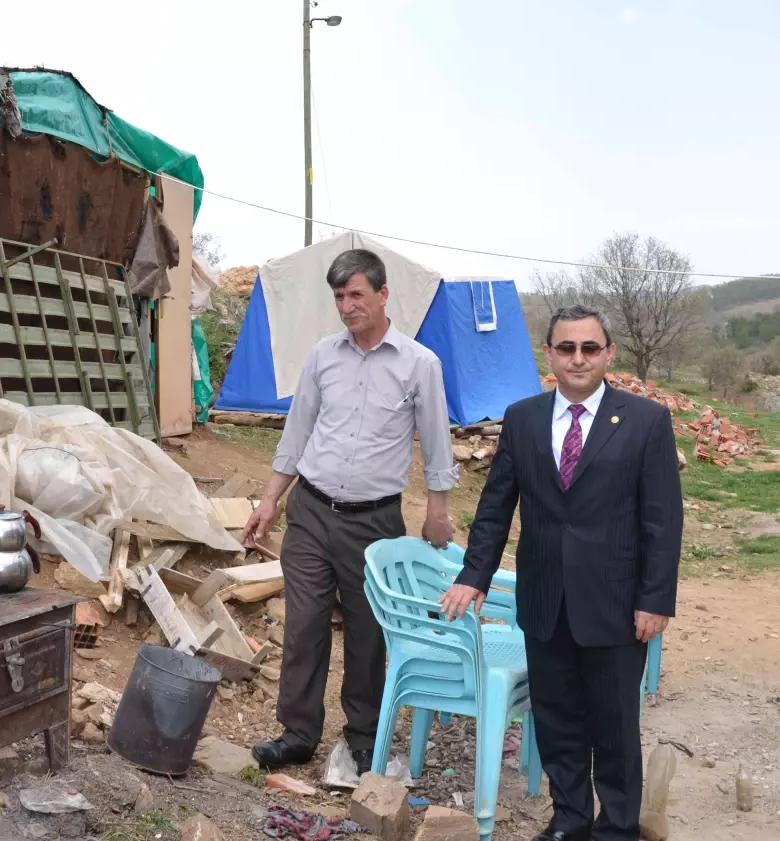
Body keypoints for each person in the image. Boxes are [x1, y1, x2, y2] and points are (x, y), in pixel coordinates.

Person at [440, 304, 682, 841]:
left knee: (615, 726)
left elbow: (662, 520)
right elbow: (496, 505)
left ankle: (616, 828)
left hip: (618, 605)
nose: (578, 358)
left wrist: (656, 599)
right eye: (566, 348)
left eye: (589, 348)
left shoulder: (645, 421)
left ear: (608, 354)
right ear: (549, 354)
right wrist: (473, 574)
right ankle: (569, 820)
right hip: (546, 600)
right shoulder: (523, 417)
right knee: (556, 719)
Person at [242, 248, 459, 776]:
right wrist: (270, 498)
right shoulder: (322, 357)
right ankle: (297, 734)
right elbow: (297, 434)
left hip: (375, 523)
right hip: (311, 511)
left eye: (356, 294)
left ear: (384, 295)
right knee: (304, 627)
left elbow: (435, 445)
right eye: (339, 296)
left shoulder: (419, 364)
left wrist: (437, 511)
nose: (347, 305)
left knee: (367, 635)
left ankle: (364, 737)